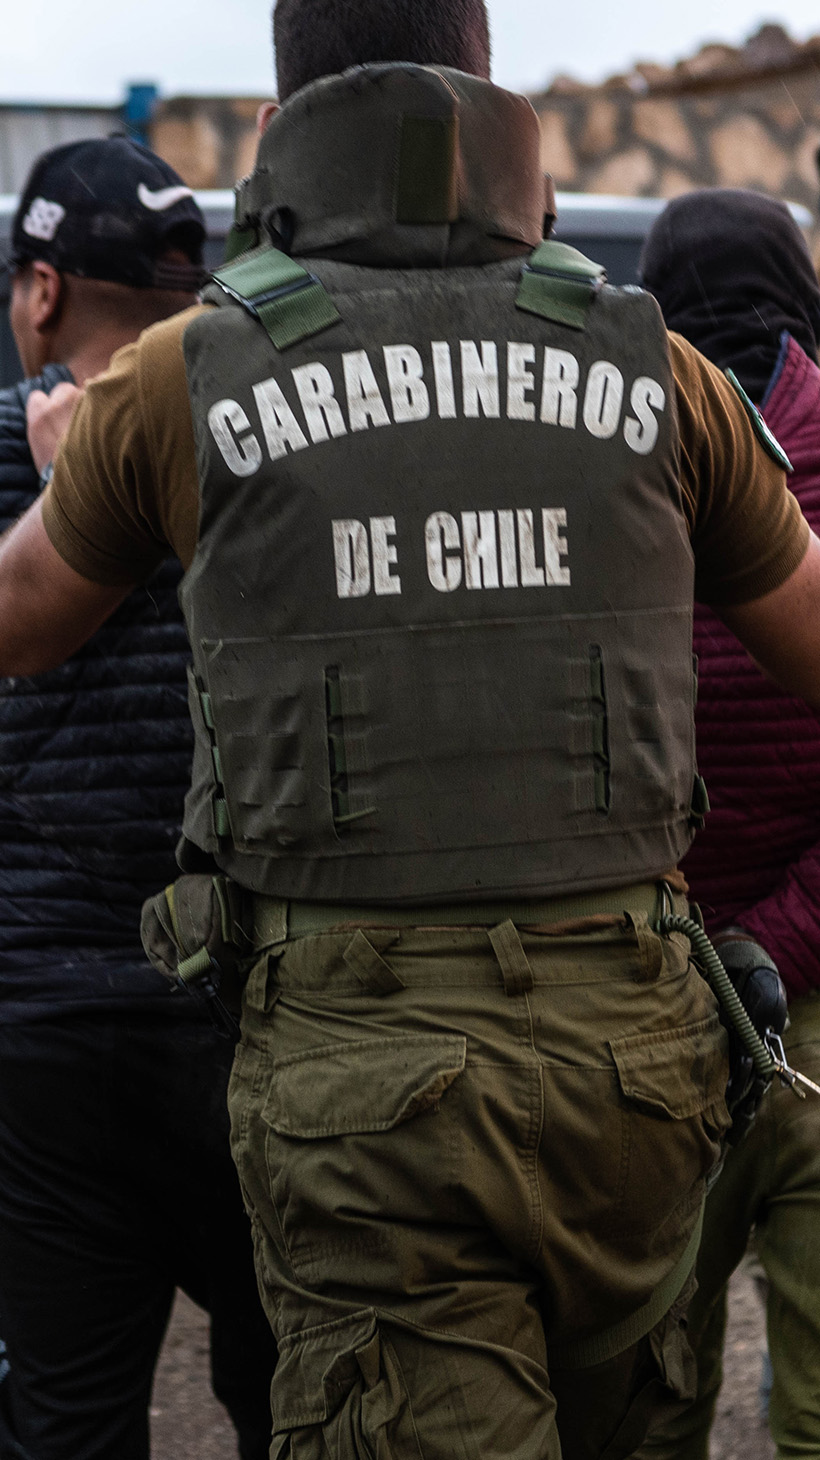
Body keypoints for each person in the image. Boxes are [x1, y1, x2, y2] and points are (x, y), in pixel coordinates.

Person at [6, 4, 820, 1453]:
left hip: (367, 1102)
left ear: (277, 132)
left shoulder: (179, 379)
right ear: (489, 101)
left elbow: (19, 620)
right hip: (634, 1077)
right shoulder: (656, 366)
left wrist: (84, 468)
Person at [0, 137, 276, 1460]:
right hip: (247, 1012)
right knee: (296, 1403)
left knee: (65, 1422)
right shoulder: (273, 440)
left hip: (43, 1034)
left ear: (44, 289)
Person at [633, 188, 820, 1459]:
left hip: (646, 1006)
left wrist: (706, 947)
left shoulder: (601, 462)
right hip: (813, 1010)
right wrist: (780, 944)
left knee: (645, 1402)